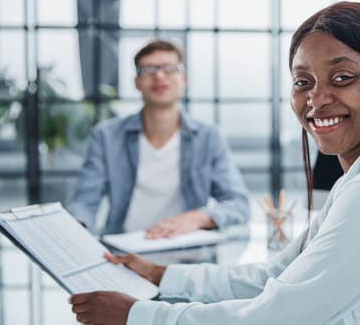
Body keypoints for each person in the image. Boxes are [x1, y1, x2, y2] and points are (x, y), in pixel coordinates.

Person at [70, 2, 360, 324]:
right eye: (303, 82)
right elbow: (276, 276)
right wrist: (163, 275)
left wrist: (139, 316)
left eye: (341, 78)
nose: (316, 99)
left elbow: (281, 315)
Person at [67, 39, 250, 237]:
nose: (159, 76)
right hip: (125, 250)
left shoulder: (209, 138)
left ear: (184, 79)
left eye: (169, 68)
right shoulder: (106, 136)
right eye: (148, 70)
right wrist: (76, 230)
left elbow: (238, 205)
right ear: (137, 82)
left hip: (189, 253)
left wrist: (197, 218)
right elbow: (85, 201)